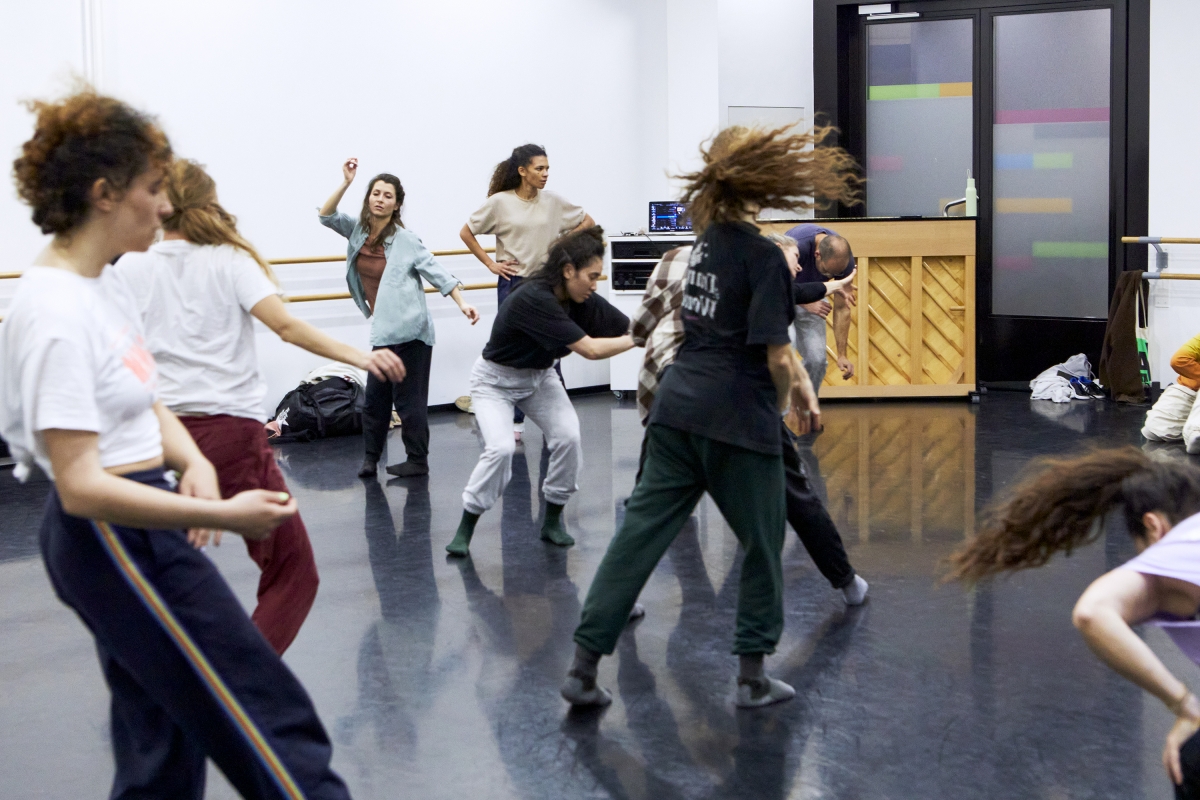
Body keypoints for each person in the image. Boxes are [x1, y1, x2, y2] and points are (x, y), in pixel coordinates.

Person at [2, 89, 350, 799]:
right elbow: (78, 485)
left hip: (141, 506)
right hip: (113, 535)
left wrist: (189, 459)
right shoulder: (53, 312)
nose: (167, 207)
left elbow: (145, 390)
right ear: (105, 193)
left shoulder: (105, 285)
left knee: (158, 738)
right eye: (154, 189)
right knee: (267, 721)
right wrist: (228, 515)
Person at [563, 124, 861, 710]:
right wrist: (800, 394)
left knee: (639, 538)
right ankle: (751, 677)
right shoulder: (762, 256)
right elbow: (776, 351)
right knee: (762, 540)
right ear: (761, 181)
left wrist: (797, 382)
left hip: (675, 409)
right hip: (736, 418)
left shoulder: (700, 247)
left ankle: (582, 667)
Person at [112, 159, 406, 654]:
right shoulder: (229, 260)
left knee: (164, 572)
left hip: (157, 436)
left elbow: (120, 354)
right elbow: (286, 327)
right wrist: (361, 356)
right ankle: (237, 679)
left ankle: (166, 680)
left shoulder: (132, 265)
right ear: (209, 204)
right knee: (293, 573)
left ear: (163, 207)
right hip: (229, 438)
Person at [628, 233, 868, 605]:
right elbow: (776, 349)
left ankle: (617, 603)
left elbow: (640, 331)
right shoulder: (758, 268)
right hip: (732, 392)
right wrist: (787, 399)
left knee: (647, 504)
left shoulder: (678, 258)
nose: (797, 270)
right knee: (795, 496)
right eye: (792, 265)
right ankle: (847, 583)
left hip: (671, 391)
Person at [947, 448, 1200, 797]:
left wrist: (1184, 705)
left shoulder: (1181, 544)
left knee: (1191, 761)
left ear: (1154, 527)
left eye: (1142, 551)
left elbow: (1092, 612)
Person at [447, 226, 633, 557]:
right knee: (501, 449)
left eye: (598, 277)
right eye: (591, 276)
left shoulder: (582, 298)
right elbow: (590, 350)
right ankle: (466, 526)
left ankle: (552, 520)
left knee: (568, 437)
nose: (595, 283)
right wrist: (642, 339)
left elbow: (629, 327)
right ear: (567, 271)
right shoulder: (534, 298)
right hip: (495, 382)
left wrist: (667, 324)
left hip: (540, 377)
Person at [320, 158, 480, 479]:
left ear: (397, 205)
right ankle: (370, 459)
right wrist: (346, 182)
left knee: (409, 403)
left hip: (412, 331)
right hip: (383, 331)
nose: (380, 199)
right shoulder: (357, 231)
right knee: (375, 402)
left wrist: (462, 302)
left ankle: (417, 461)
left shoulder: (406, 240)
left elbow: (435, 270)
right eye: (375, 193)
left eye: (388, 195)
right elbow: (326, 216)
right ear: (369, 199)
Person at [460, 144, 596, 442]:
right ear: (522, 171)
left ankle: (557, 422)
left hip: (547, 287)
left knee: (551, 353)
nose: (545, 174)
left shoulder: (554, 202)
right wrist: (491, 264)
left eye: (547, 168)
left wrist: (561, 245)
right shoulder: (500, 203)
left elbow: (588, 222)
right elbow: (466, 232)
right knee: (515, 354)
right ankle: (515, 422)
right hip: (514, 285)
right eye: (539, 169)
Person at [784, 223, 858, 389]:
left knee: (817, 361)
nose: (829, 276)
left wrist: (841, 355)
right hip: (783, 302)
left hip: (815, 300)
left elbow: (842, 307)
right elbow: (775, 287)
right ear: (817, 255)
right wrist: (805, 302)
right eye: (826, 272)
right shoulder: (797, 245)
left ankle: (805, 406)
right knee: (785, 353)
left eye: (834, 274)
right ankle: (777, 410)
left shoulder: (844, 261)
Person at [1143, 332, 1200, 452]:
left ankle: (1196, 430)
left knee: (1195, 434)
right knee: (1154, 430)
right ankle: (1191, 429)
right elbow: (1179, 360)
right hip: (1189, 390)